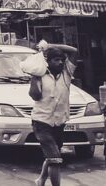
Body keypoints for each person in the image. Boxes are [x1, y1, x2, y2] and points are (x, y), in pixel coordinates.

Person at [29, 44, 79, 186]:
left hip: (59, 121)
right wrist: (34, 78)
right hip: (41, 122)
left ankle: (41, 180)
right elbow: (35, 96)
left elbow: (74, 51)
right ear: (48, 62)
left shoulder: (67, 73)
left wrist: (50, 46)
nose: (60, 62)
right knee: (55, 159)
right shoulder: (40, 75)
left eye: (61, 60)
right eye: (56, 60)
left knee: (53, 156)